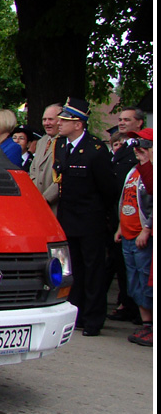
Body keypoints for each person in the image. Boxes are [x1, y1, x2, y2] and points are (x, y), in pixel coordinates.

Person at [53, 97, 118, 336]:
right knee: (75, 269)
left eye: (65, 120)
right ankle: (77, 314)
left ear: (78, 123)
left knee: (93, 271)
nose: (60, 124)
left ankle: (93, 319)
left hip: (90, 220)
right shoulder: (60, 145)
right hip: (68, 218)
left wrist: (100, 215)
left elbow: (108, 188)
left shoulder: (95, 150)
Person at [106, 106, 145, 325]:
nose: (121, 123)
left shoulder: (139, 149)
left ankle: (137, 311)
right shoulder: (123, 148)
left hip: (139, 221)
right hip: (120, 216)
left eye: (127, 120)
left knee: (138, 270)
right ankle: (128, 303)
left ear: (139, 123)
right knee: (123, 267)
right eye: (120, 119)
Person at [115, 128, 153, 347]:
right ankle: (146, 324)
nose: (136, 148)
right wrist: (120, 226)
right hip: (129, 232)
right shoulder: (133, 171)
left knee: (148, 280)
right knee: (135, 282)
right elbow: (125, 200)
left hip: (143, 234)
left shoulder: (150, 170)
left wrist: (147, 229)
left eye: (142, 143)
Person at [29, 103, 62, 213]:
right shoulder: (42, 141)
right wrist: (35, 195)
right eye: (44, 119)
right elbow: (33, 169)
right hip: (37, 202)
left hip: (55, 205)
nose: (46, 123)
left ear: (60, 121)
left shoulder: (65, 143)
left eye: (50, 119)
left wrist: (46, 198)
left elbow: (62, 176)